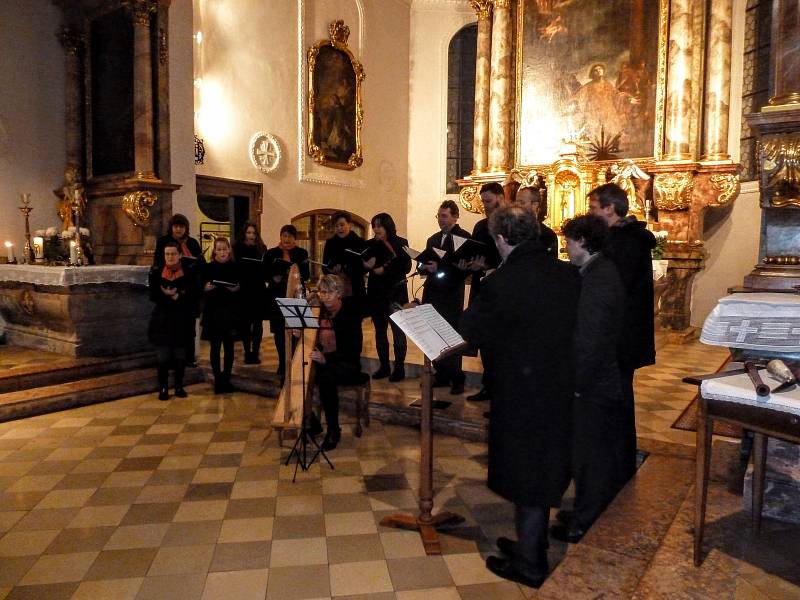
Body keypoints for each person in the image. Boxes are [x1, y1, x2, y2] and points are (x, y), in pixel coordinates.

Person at [461, 206, 581, 588]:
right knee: (544, 470)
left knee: (526, 476)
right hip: (560, 388)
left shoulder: (503, 281)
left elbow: (472, 331)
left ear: (501, 238)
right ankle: (530, 544)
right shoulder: (567, 274)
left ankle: (531, 564)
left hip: (521, 393)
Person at [550, 214, 626, 544]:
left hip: (593, 384)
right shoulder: (597, 271)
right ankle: (584, 508)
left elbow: (591, 338)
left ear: (582, 240)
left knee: (588, 456)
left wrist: (577, 384)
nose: (565, 246)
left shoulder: (600, 277)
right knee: (586, 452)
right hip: (595, 379)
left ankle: (585, 519)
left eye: (568, 240)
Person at [588, 182, 656, 484]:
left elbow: (613, 289)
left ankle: (616, 471)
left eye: (593, 209)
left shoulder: (626, 242)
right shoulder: (622, 240)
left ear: (610, 209)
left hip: (618, 338)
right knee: (615, 404)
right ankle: (616, 467)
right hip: (620, 337)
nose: (591, 215)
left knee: (615, 406)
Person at [310, 275, 368, 450]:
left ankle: (333, 430)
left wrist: (326, 358)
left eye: (329, 292)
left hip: (347, 364)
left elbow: (353, 349)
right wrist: (299, 335)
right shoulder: (317, 313)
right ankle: (313, 424)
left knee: (326, 378)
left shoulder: (350, 315)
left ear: (339, 292)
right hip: (325, 362)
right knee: (289, 378)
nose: (325, 296)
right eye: (321, 292)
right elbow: (313, 341)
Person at [419, 200, 471, 395]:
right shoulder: (433, 239)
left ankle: (457, 378)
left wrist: (439, 268)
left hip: (451, 293)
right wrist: (422, 266)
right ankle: (441, 374)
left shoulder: (464, 237)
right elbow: (425, 259)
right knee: (433, 336)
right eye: (438, 216)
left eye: (444, 216)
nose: (440, 220)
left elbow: (461, 267)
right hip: (432, 291)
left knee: (451, 336)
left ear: (455, 216)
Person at [464, 182, 504, 403]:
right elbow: (475, 250)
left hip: (500, 289)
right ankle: (487, 386)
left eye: (489, 201)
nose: (486, 206)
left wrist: (489, 267)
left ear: (501, 197)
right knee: (485, 343)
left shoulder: (509, 223)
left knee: (498, 344)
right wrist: (470, 263)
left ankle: (499, 390)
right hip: (482, 288)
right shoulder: (480, 226)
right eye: (484, 202)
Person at [363, 213, 411, 382]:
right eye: (374, 226)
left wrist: (385, 269)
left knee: (398, 332)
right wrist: (365, 266)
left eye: (380, 226)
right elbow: (361, 263)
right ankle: (383, 366)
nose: (376, 229)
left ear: (388, 226)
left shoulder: (400, 242)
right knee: (380, 332)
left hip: (396, 293)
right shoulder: (370, 245)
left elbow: (406, 266)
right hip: (377, 294)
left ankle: (399, 368)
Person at [147, 242, 198, 401]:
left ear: (180, 255)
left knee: (180, 355)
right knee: (163, 356)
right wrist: (166, 295)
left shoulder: (188, 272)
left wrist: (178, 296)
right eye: (167, 254)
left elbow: (193, 294)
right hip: (162, 319)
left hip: (181, 319)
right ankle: (163, 388)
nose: (170, 257)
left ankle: (178, 386)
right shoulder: (156, 272)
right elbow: (153, 295)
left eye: (173, 254)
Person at [154, 214, 204, 366]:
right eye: (176, 226)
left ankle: (188, 358)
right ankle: (170, 360)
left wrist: (194, 265)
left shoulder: (193, 243)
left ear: (186, 228)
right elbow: (158, 263)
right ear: (171, 227)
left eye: (181, 226)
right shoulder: (164, 241)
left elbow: (201, 265)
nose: (179, 229)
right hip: (169, 286)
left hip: (188, 290)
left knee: (189, 328)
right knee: (171, 328)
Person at [265, 225, 310, 378]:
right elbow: (264, 274)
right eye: (284, 235)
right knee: (279, 332)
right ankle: (283, 363)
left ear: (294, 238)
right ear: (280, 236)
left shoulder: (301, 253)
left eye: (290, 236)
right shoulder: (271, 253)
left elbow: (307, 275)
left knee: (297, 331)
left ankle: (295, 361)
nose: (287, 239)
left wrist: (293, 271)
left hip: (296, 296)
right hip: (277, 296)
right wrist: (273, 277)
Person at [201, 237, 241, 393]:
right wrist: (205, 288)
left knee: (230, 348)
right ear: (215, 251)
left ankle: (227, 379)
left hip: (230, 313)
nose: (222, 252)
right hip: (214, 313)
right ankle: (218, 380)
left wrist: (237, 289)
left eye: (225, 249)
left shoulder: (235, 267)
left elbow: (240, 288)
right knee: (215, 348)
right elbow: (201, 287)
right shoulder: (208, 268)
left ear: (229, 250)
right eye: (219, 249)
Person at [233, 221, 269, 364]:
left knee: (258, 323)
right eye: (248, 233)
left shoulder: (262, 248)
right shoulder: (237, 248)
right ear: (244, 233)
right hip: (243, 290)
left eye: (253, 233)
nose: (251, 236)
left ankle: (256, 352)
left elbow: (265, 269)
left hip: (258, 289)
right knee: (245, 323)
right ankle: (247, 352)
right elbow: (234, 268)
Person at [322, 211, 367, 299]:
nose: (339, 228)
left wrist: (348, 268)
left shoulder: (359, 242)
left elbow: (364, 267)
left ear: (349, 225)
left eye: (342, 225)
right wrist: (331, 270)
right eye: (336, 226)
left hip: (355, 288)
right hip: (335, 290)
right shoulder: (330, 243)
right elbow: (324, 266)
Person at [514, 185, 558, 258]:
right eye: (516, 202)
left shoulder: (547, 235)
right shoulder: (511, 230)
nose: (517, 206)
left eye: (522, 203)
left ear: (535, 205)